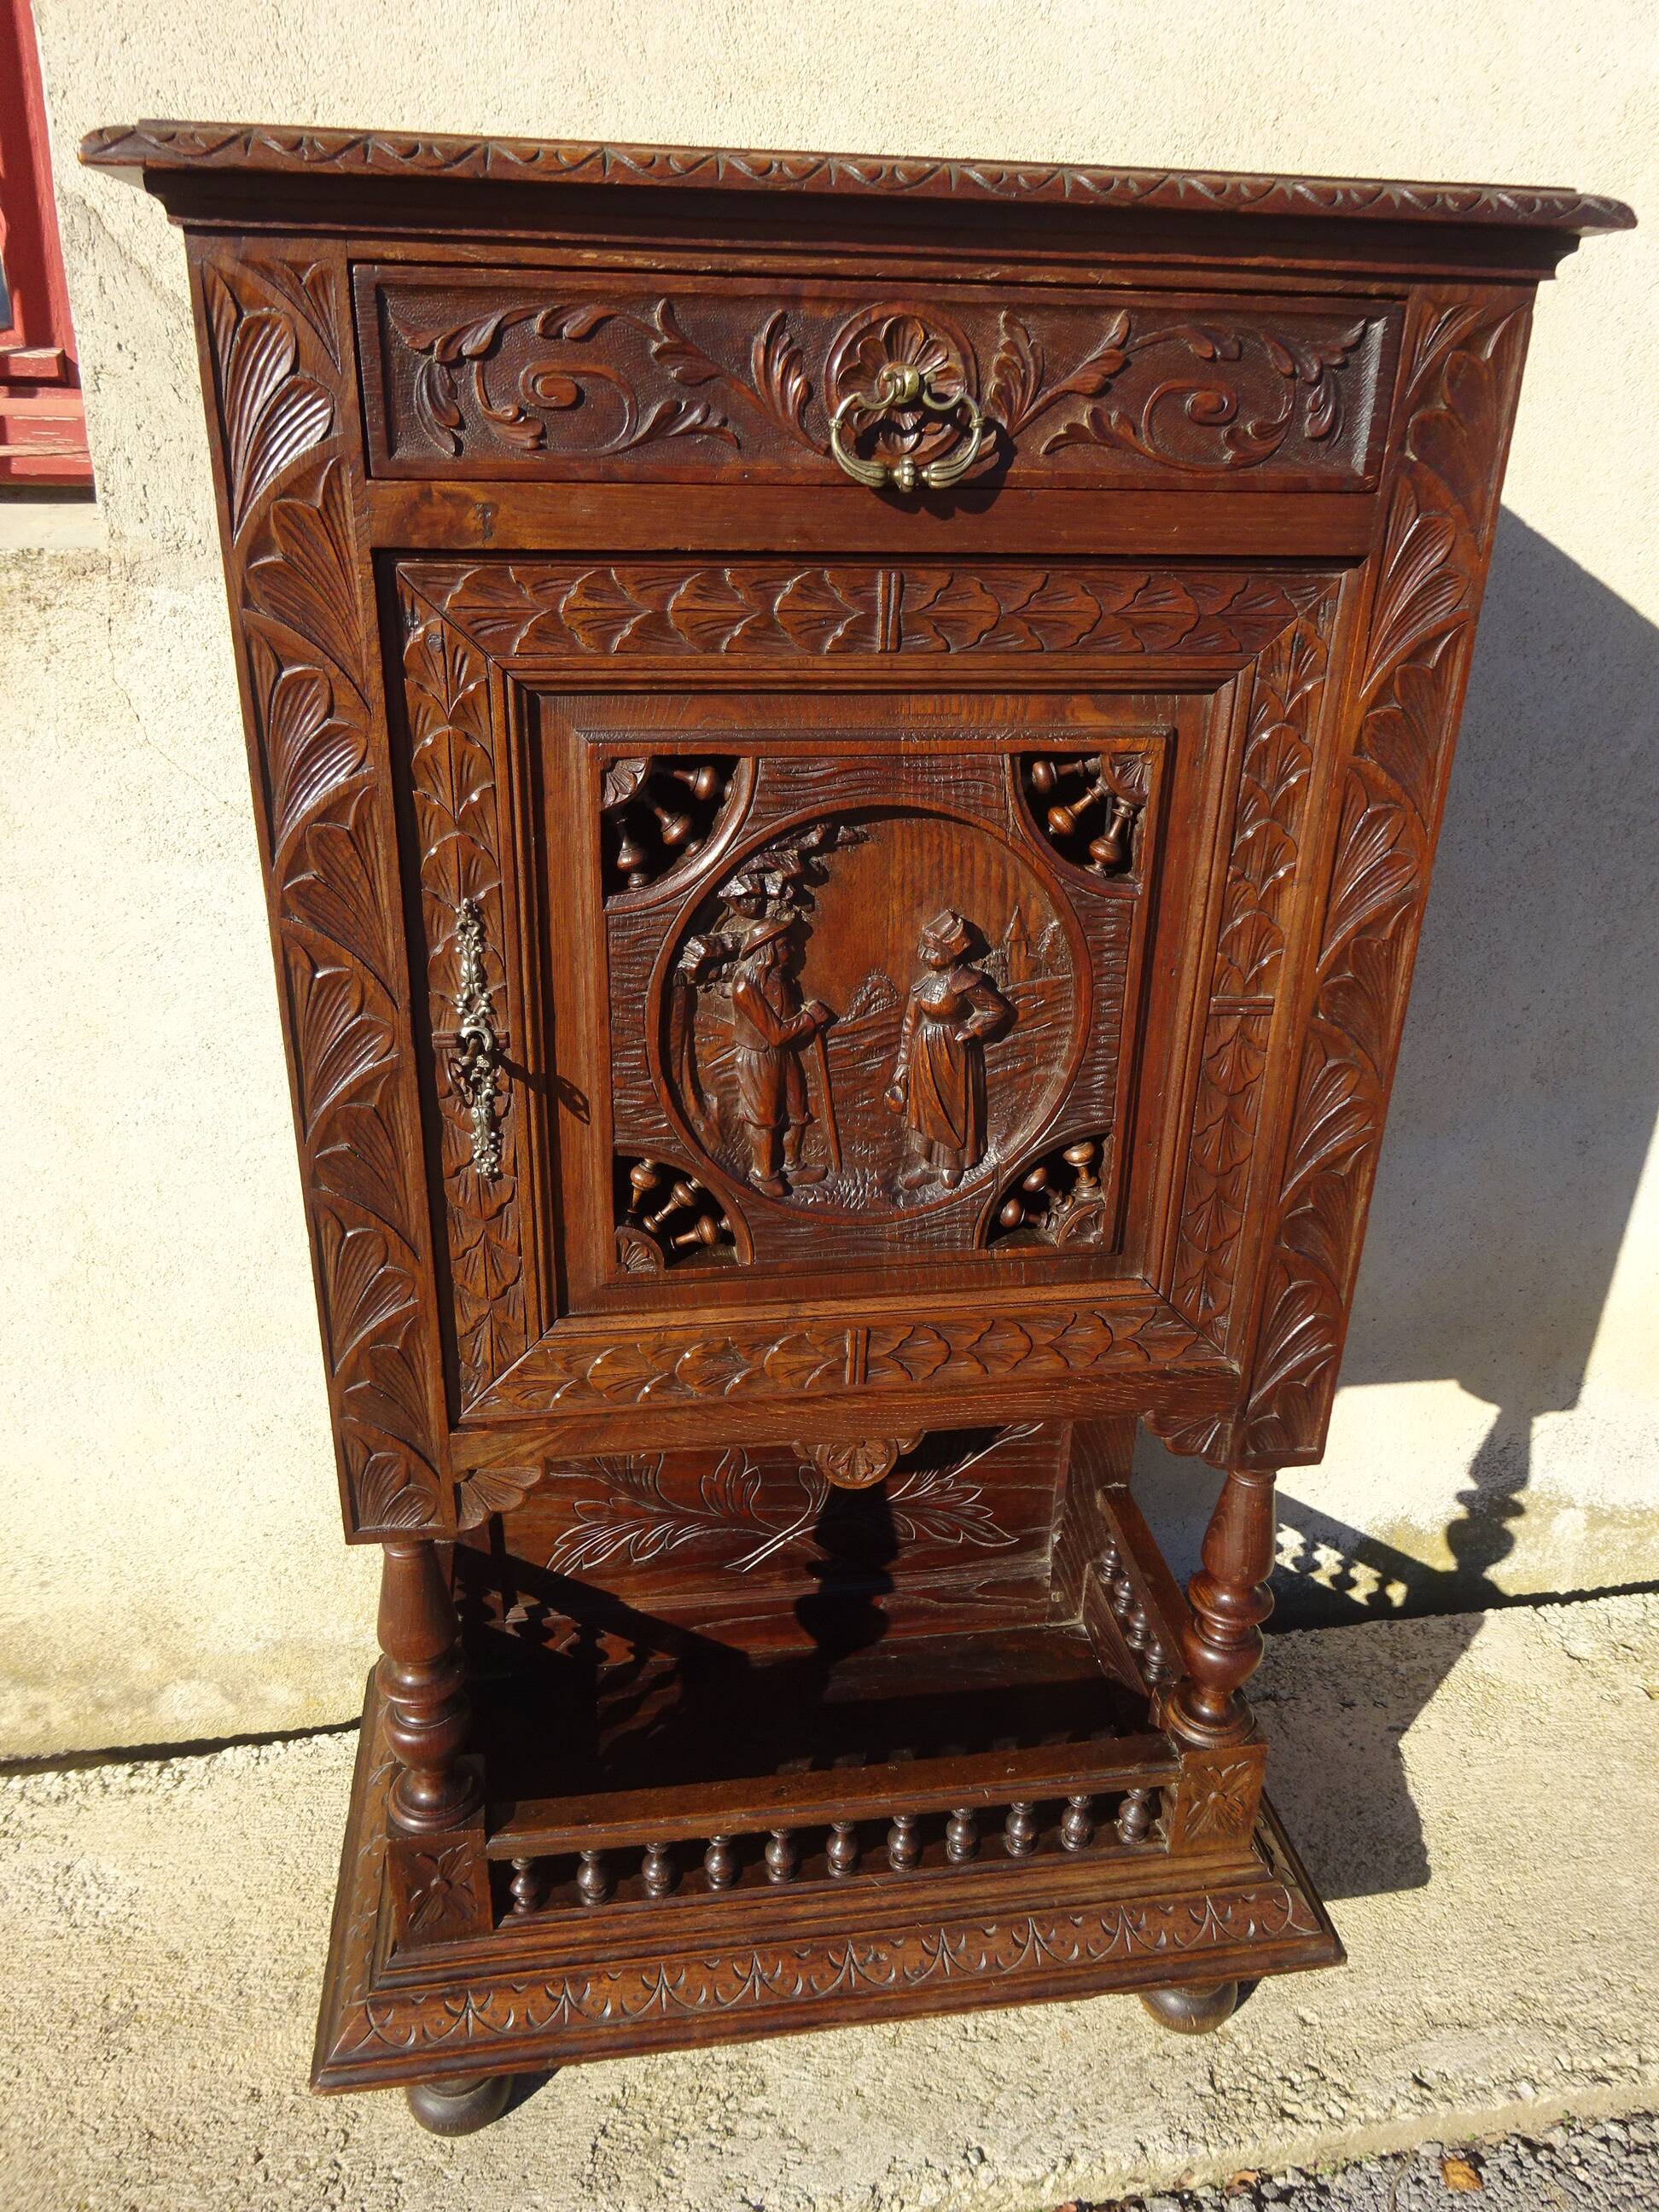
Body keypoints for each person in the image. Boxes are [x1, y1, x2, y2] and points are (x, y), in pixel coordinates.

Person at [885, 910, 1010, 1191]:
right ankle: (928, 1163)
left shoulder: (966, 981)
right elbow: (909, 1025)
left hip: (954, 1054)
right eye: (923, 947)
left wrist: (974, 1029)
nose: (921, 955)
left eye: (930, 949)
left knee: (953, 1108)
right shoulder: (924, 984)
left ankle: (953, 1163)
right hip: (924, 1052)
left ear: (951, 952)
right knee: (927, 1108)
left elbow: (997, 1010)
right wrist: (903, 1064)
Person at [729, 915, 832, 1196]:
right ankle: (764, 1173)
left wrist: (810, 1024)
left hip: (784, 1054)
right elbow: (774, 1034)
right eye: (787, 945)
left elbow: (789, 1025)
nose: (795, 951)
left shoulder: (784, 981)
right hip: (759, 1058)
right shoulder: (745, 988)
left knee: (796, 1109)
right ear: (768, 950)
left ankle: (793, 1165)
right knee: (765, 1116)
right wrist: (809, 1019)